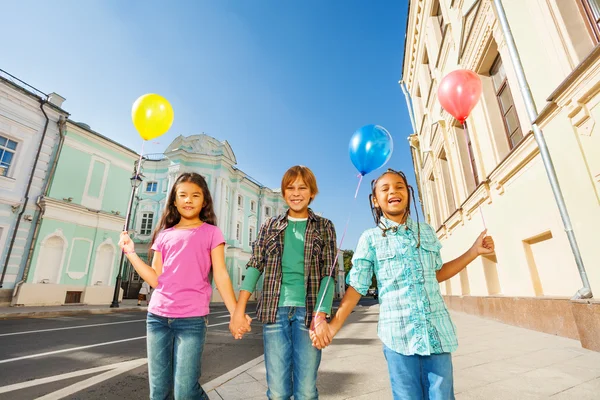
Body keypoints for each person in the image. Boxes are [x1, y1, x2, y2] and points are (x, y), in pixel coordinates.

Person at [311, 169, 495, 400]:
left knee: (442, 396)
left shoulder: (426, 232)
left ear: (407, 193)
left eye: (399, 186)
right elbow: (357, 287)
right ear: (375, 201)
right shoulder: (370, 238)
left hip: (436, 333)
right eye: (385, 189)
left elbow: (437, 273)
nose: (393, 191)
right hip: (398, 337)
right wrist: (333, 326)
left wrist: (474, 251)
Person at [118, 172, 251, 400]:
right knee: (158, 391)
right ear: (174, 200)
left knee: (186, 392)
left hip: (191, 320)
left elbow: (220, 274)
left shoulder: (211, 233)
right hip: (157, 318)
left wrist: (235, 313)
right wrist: (130, 253)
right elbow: (154, 279)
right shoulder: (164, 235)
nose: (188, 200)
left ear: (204, 201)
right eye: (183, 195)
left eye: (195, 195)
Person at [232, 165, 337, 400]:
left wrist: (321, 315)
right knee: (277, 392)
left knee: (306, 391)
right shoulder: (269, 226)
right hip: (275, 312)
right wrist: (239, 310)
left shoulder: (324, 226)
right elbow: (255, 264)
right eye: (290, 188)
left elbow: (329, 273)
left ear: (312, 193)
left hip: (309, 313)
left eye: (302, 187)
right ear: (283, 193)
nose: (296, 193)